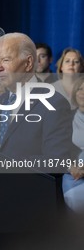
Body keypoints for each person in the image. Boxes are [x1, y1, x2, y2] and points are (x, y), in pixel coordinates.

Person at [0, 33, 73, 171]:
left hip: (31, 190)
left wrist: (6, 165)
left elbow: (56, 162)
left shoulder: (54, 103)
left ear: (28, 63)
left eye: (5, 60)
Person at [62, 78, 84, 213]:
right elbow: (61, 149)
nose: (83, 93)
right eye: (80, 89)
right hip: (73, 172)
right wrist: (71, 167)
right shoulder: (66, 118)